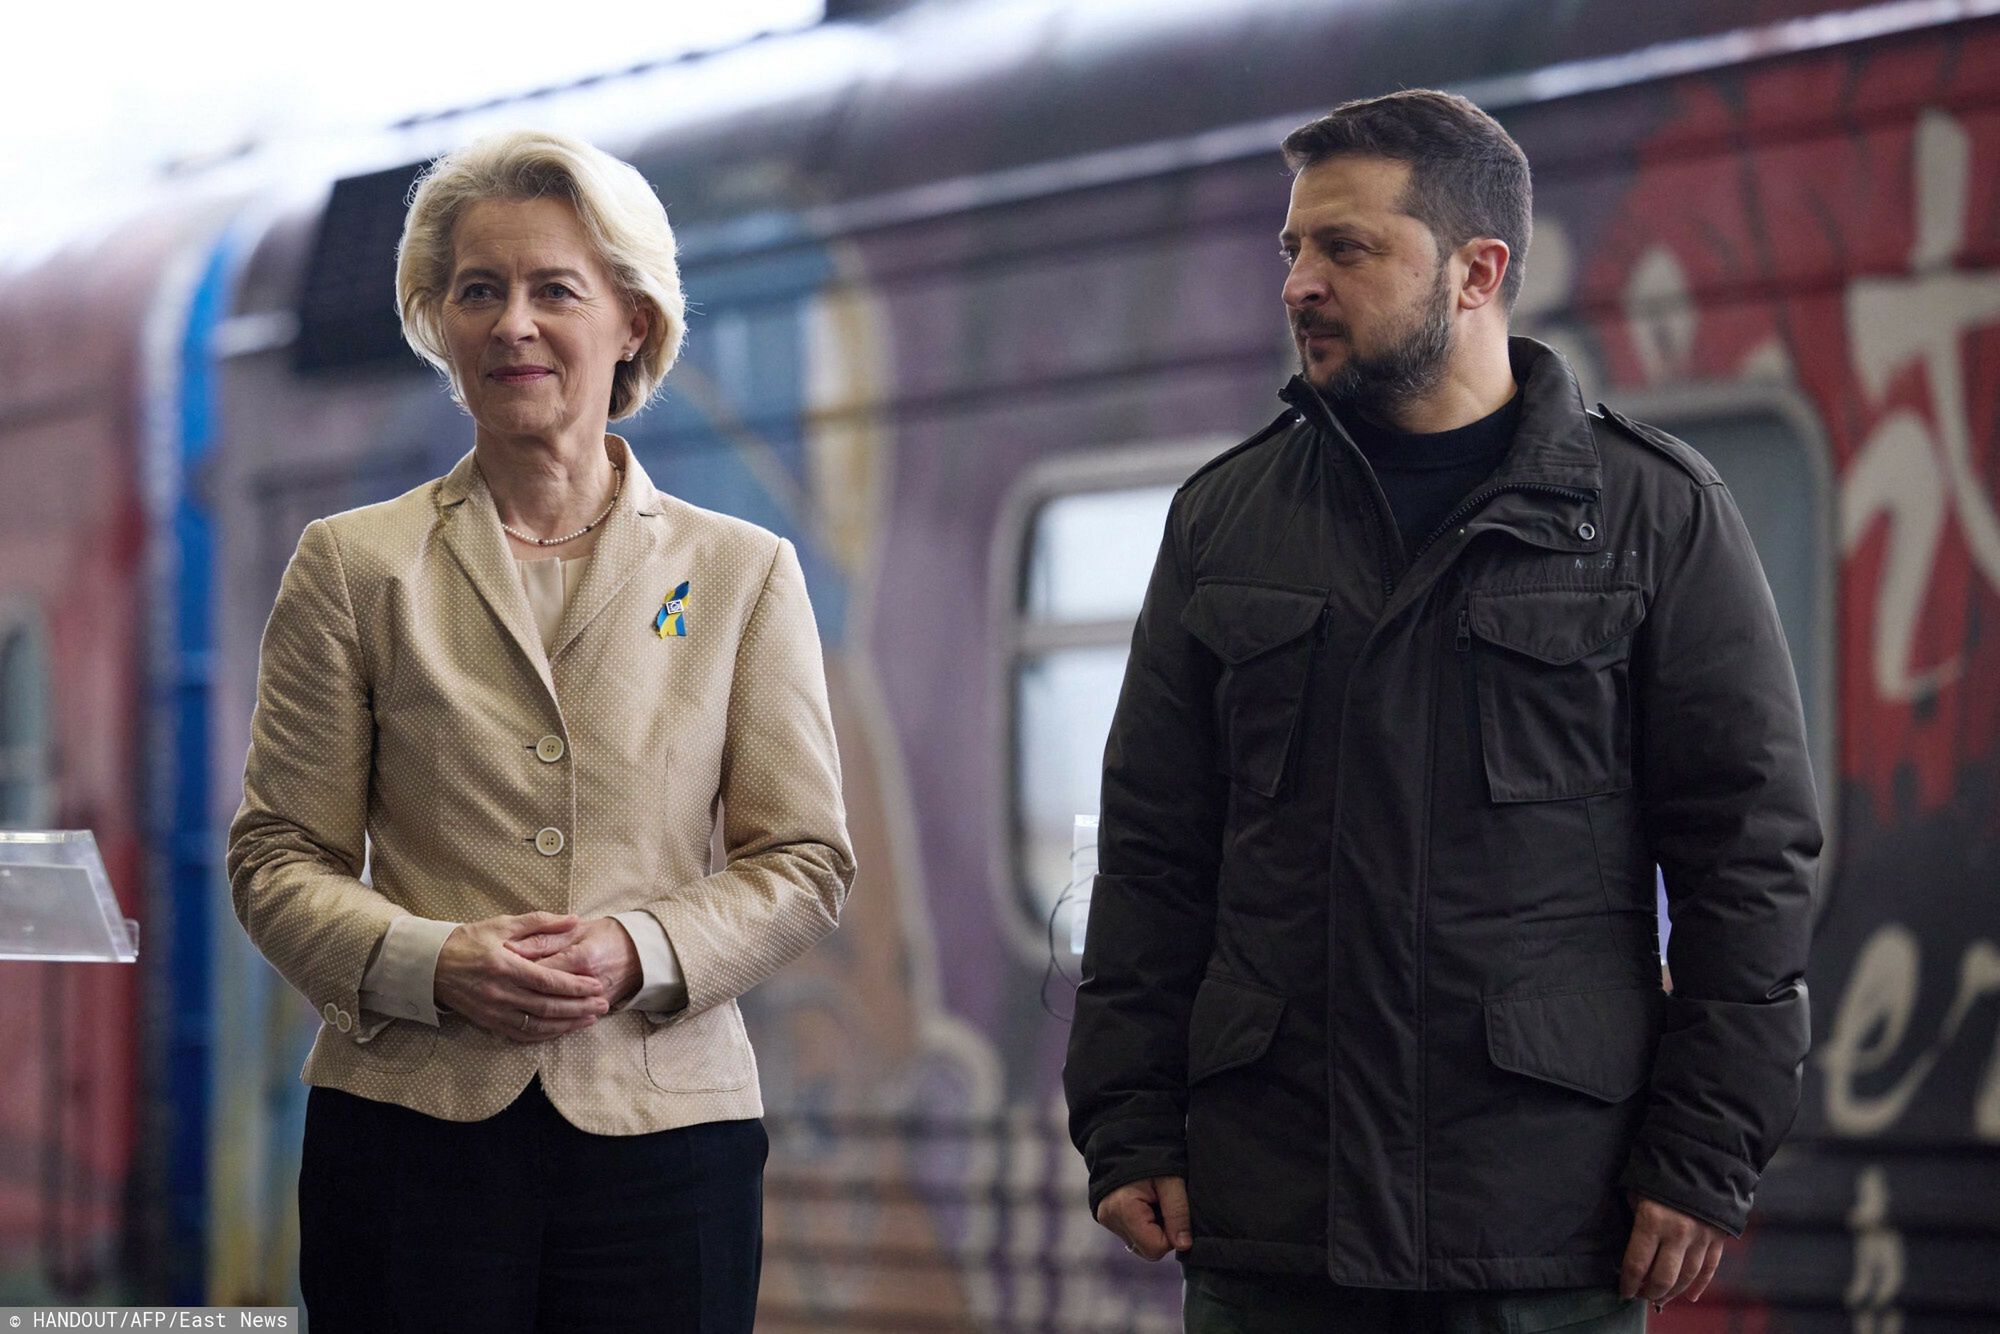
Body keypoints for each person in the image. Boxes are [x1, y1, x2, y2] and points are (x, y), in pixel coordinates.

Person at [1064, 90, 1818, 1332]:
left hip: (1537, 1225)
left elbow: (1749, 860)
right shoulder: (1223, 519)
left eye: (1346, 248)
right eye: (1292, 250)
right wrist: (1125, 1112)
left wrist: (1702, 1149)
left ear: (1478, 270)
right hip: (1273, 1224)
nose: (1300, 282)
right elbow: (1151, 848)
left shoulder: (1650, 518)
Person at [227, 129, 854, 1333]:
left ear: (631, 321)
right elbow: (275, 858)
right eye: (477, 290)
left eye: (552, 288)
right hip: (407, 1133)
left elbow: (803, 860)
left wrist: (638, 948)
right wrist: (430, 960)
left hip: (666, 1140)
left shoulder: (741, 569)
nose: (512, 323)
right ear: (440, 327)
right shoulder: (353, 565)